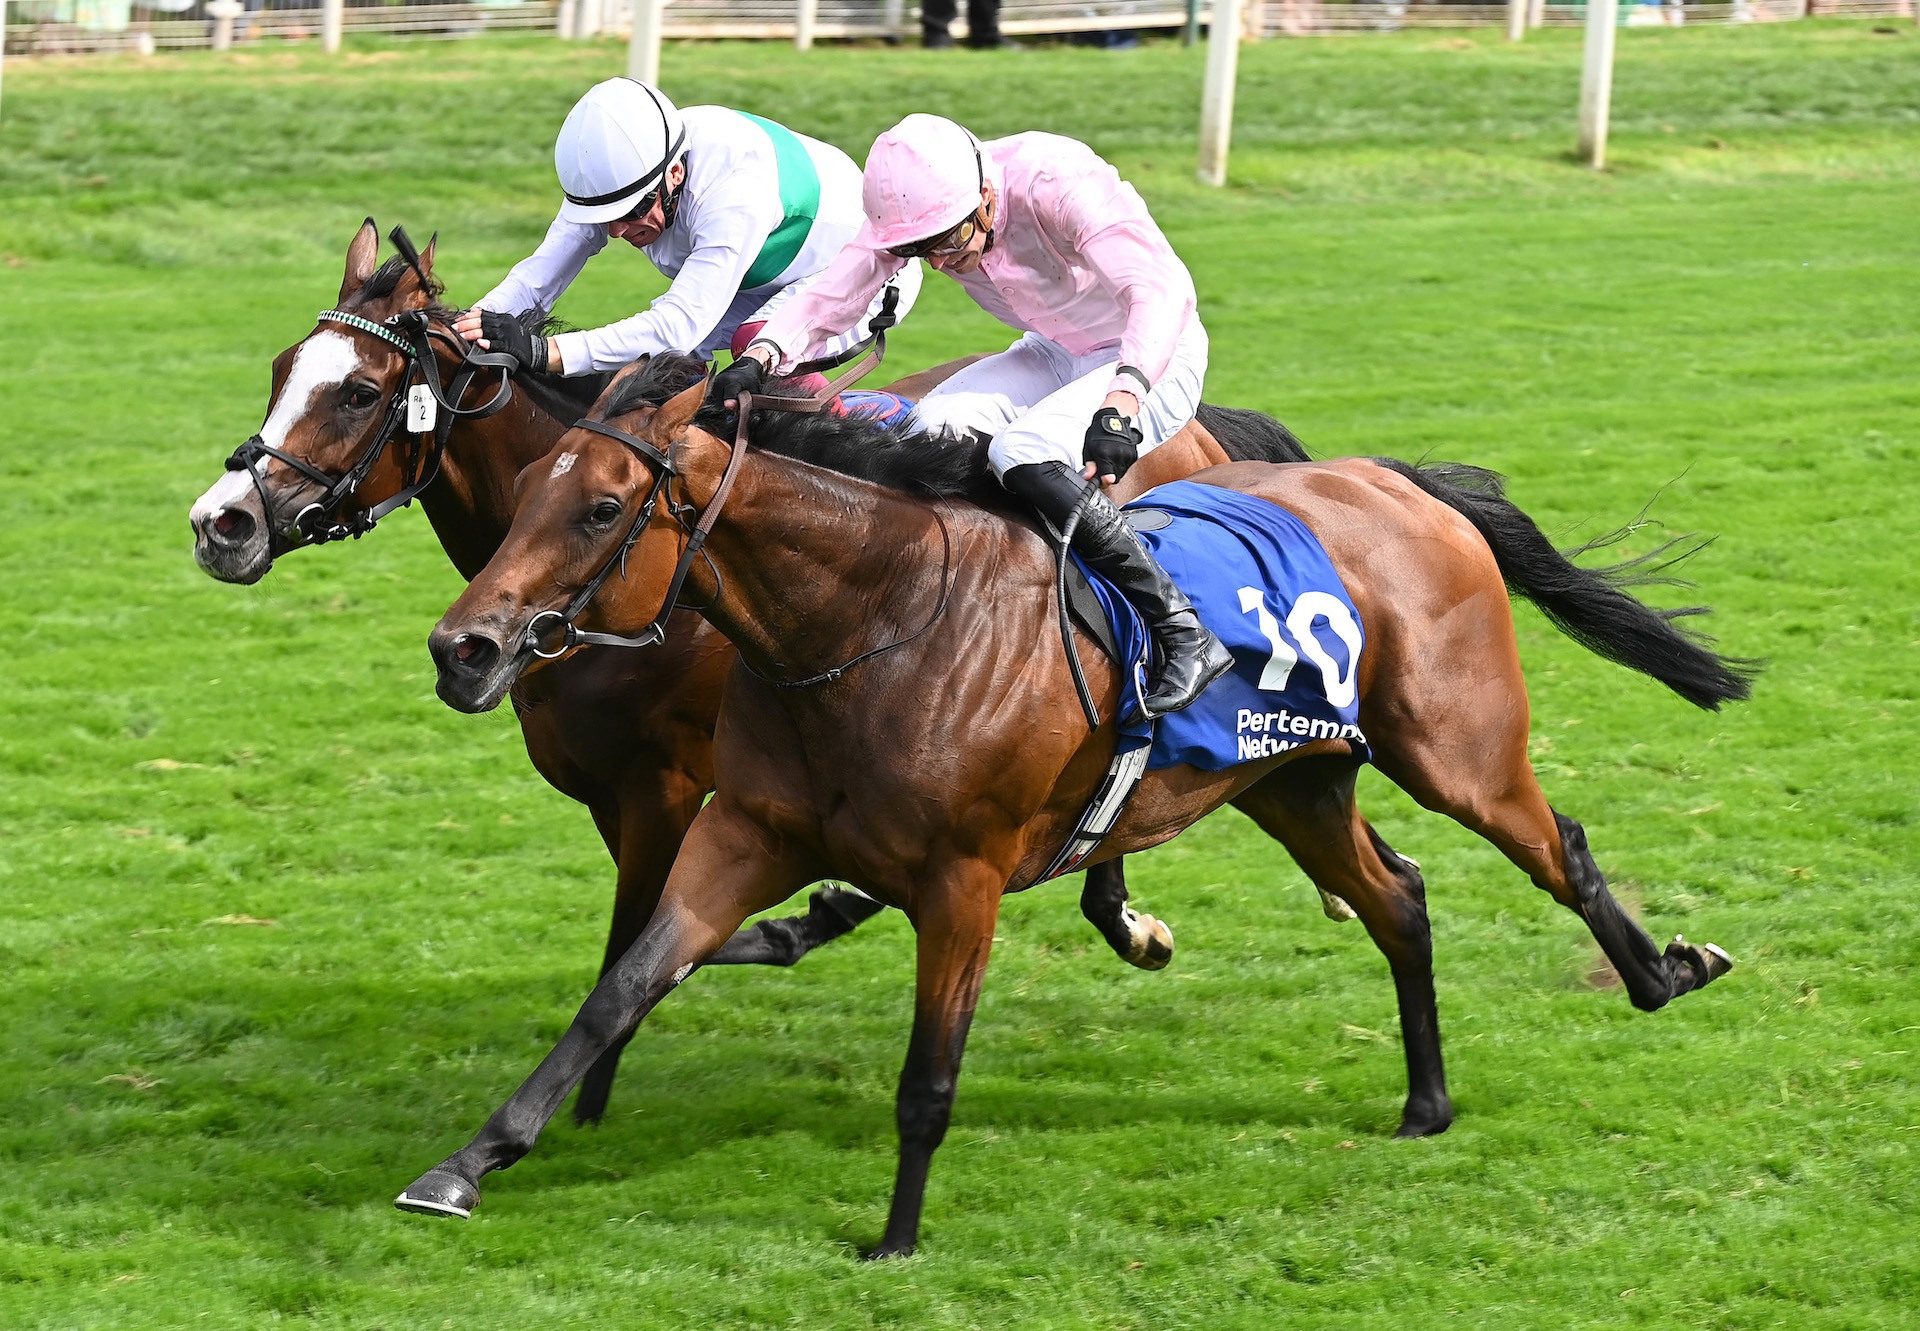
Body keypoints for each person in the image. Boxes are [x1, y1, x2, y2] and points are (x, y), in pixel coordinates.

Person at [712, 114, 1230, 718]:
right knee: (930, 427)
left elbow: (1159, 291)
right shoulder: (921, 206)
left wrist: (1125, 398)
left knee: (1022, 451)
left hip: (1156, 354)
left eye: (948, 240)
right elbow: (835, 293)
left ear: (985, 196)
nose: (938, 262)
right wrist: (762, 356)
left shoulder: (1056, 179)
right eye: (918, 251)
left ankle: (1181, 628)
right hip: (1055, 349)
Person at [456, 78, 920, 379]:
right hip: (763, 274)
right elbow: (537, 278)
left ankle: (854, 434)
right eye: (604, 218)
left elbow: (676, 327)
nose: (617, 231)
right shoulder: (615, 179)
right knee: (660, 374)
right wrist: (462, 330)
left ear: (675, 173)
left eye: (632, 212)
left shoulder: (732, 195)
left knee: (754, 349)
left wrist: (543, 352)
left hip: (865, 272)